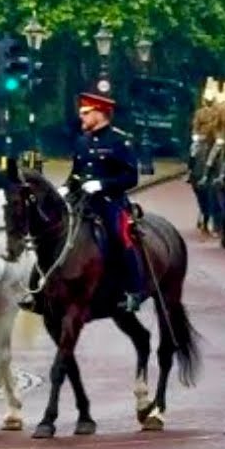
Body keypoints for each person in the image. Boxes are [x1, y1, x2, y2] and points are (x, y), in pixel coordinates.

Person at [61, 92, 145, 313]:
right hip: (81, 200)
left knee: (119, 237)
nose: (81, 117)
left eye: (85, 113)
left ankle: (133, 290)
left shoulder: (119, 141)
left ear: (100, 114)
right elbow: (76, 173)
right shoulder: (82, 141)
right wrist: (66, 187)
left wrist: (102, 184)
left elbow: (131, 177)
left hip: (108, 202)